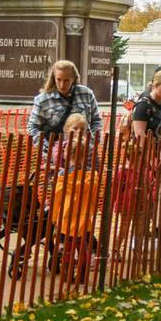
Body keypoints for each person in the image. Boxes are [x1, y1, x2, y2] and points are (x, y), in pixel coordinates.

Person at [49, 113, 100, 282]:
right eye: (75, 128)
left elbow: (57, 195)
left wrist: (54, 215)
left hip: (66, 214)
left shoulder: (62, 176)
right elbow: (94, 186)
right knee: (82, 244)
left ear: (64, 155)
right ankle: (83, 273)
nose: (78, 131)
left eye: (82, 129)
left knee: (68, 245)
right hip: (83, 214)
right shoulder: (89, 175)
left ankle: (68, 272)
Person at [27, 60, 103, 144]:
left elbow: (96, 120)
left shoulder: (87, 94)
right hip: (55, 153)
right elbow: (32, 128)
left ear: (73, 79)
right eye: (58, 80)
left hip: (85, 151)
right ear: (53, 78)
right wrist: (47, 148)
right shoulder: (42, 100)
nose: (62, 85)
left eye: (66, 80)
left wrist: (93, 142)